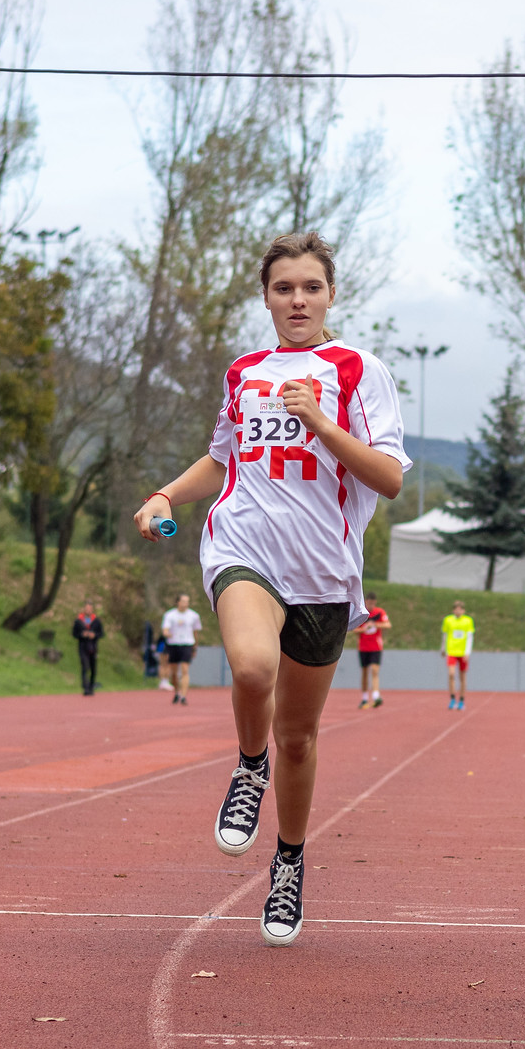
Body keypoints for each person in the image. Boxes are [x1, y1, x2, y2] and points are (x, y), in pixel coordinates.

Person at [133, 231, 408, 948]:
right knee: (253, 667)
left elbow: (389, 476)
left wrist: (320, 422)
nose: (297, 299)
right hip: (244, 544)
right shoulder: (244, 371)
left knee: (301, 736)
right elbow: (220, 460)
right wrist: (166, 495)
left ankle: (289, 860)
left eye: (310, 287)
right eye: (283, 287)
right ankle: (246, 765)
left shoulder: (357, 368)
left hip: (323, 568)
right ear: (266, 296)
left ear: (331, 294)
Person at [161, 593, 202, 706]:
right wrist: (167, 633)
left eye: (187, 601)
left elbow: (195, 632)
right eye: (183, 601)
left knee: (185, 670)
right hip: (173, 644)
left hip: (187, 644)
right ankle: (176, 692)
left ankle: (183, 696)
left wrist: (195, 647)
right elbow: (165, 629)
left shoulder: (194, 615)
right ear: (178, 602)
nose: (185, 603)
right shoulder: (170, 615)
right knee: (174, 673)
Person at [357, 593, 391, 709]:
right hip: (363, 647)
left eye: (373, 603)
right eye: (369, 603)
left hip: (376, 647)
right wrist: (364, 629)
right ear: (365, 601)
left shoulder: (379, 612)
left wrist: (375, 624)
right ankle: (364, 698)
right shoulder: (361, 613)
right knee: (365, 672)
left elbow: (387, 625)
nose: (371, 605)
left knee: (375, 670)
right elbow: (354, 629)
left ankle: (376, 696)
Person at [441, 599, 474, 710]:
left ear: (463, 611)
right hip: (451, 651)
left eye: (460, 609)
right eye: (456, 609)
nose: (458, 611)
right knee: (451, 674)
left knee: (462, 677)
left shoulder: (468, 621)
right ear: (453, 610)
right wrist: (442, 648)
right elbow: (445, 635)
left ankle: (462, 700)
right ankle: (452, 698)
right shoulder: (448, 620)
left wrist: (467, 652)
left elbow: (470, 637)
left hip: (462, 652)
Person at [72, 599, 105, 697]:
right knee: (84, 666)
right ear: (84, 609)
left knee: (93, 668)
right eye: (86, 608)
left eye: (90, 608)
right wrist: (82, 634)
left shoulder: (97, 621)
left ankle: (91, 687)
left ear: (92, 609)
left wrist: (94, 635)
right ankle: (85, 687)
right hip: (83, 646)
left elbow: (101, 634)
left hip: (93, 647)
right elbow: (74, 634)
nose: (88, 610)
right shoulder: (78, 621)